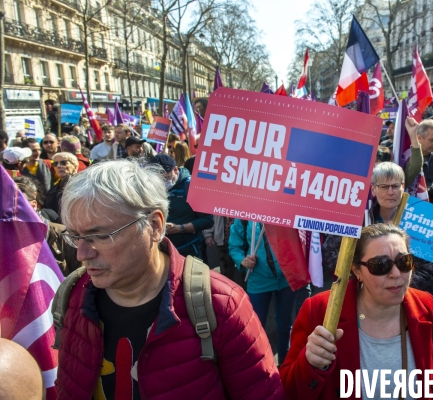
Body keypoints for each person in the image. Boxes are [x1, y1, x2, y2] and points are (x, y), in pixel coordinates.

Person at [54, 159, 284, 399]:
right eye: (75, 236)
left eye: (99, 236)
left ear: (154, 225)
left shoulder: (222, 305)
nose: (82, 253)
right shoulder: (71, 295)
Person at [280, 224, 433, 399]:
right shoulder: (320, 310)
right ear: (356, 270)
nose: (396, 274)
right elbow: (288, 390)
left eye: (404, 262)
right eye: (380, 265)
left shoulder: (427, 305)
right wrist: (310, 364)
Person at [229, 219, 295, 365]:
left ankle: (285, 364)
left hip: (286, 278)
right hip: (258, 280)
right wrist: (242, 260)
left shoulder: (287, 211)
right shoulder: (245, 215)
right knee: (256, 326)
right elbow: (234, 245)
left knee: (285, 324)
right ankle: (259, 365)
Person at [149, 154, 214, 259]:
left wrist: (180, 228)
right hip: (163, 251)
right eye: (157, 179)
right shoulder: (153, 187)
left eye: (166, 177)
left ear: (175, 170)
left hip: (188, 252)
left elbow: (208, 220)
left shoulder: (191, 187)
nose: (162, 182)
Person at [14, 176, 80, 275]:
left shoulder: (63, 234)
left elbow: (81, 277)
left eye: (17, 205)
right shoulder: (6, 238)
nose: (11, 211)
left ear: (33, 205)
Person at [45, 152, 78, 219]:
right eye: (55, 163)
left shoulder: (82, 184)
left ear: (75, 166)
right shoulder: (53, 188)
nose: (59, 166)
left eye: (63, 163)